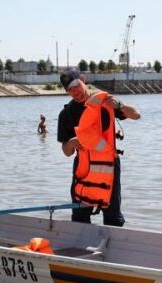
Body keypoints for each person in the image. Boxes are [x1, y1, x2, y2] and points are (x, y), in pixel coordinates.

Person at [57, 67, 140, 227]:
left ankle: (113, 248)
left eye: (76, 86)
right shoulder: (66, 114)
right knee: (80, 216)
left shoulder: (105, 103)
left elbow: (136, 115)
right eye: (70, 90)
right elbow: (67, 152)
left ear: (83, 79)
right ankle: (81, 247)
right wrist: (71, 143)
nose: (75, 92)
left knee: (112, 217)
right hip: (83, 168)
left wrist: (119, 106)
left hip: (108, 167)